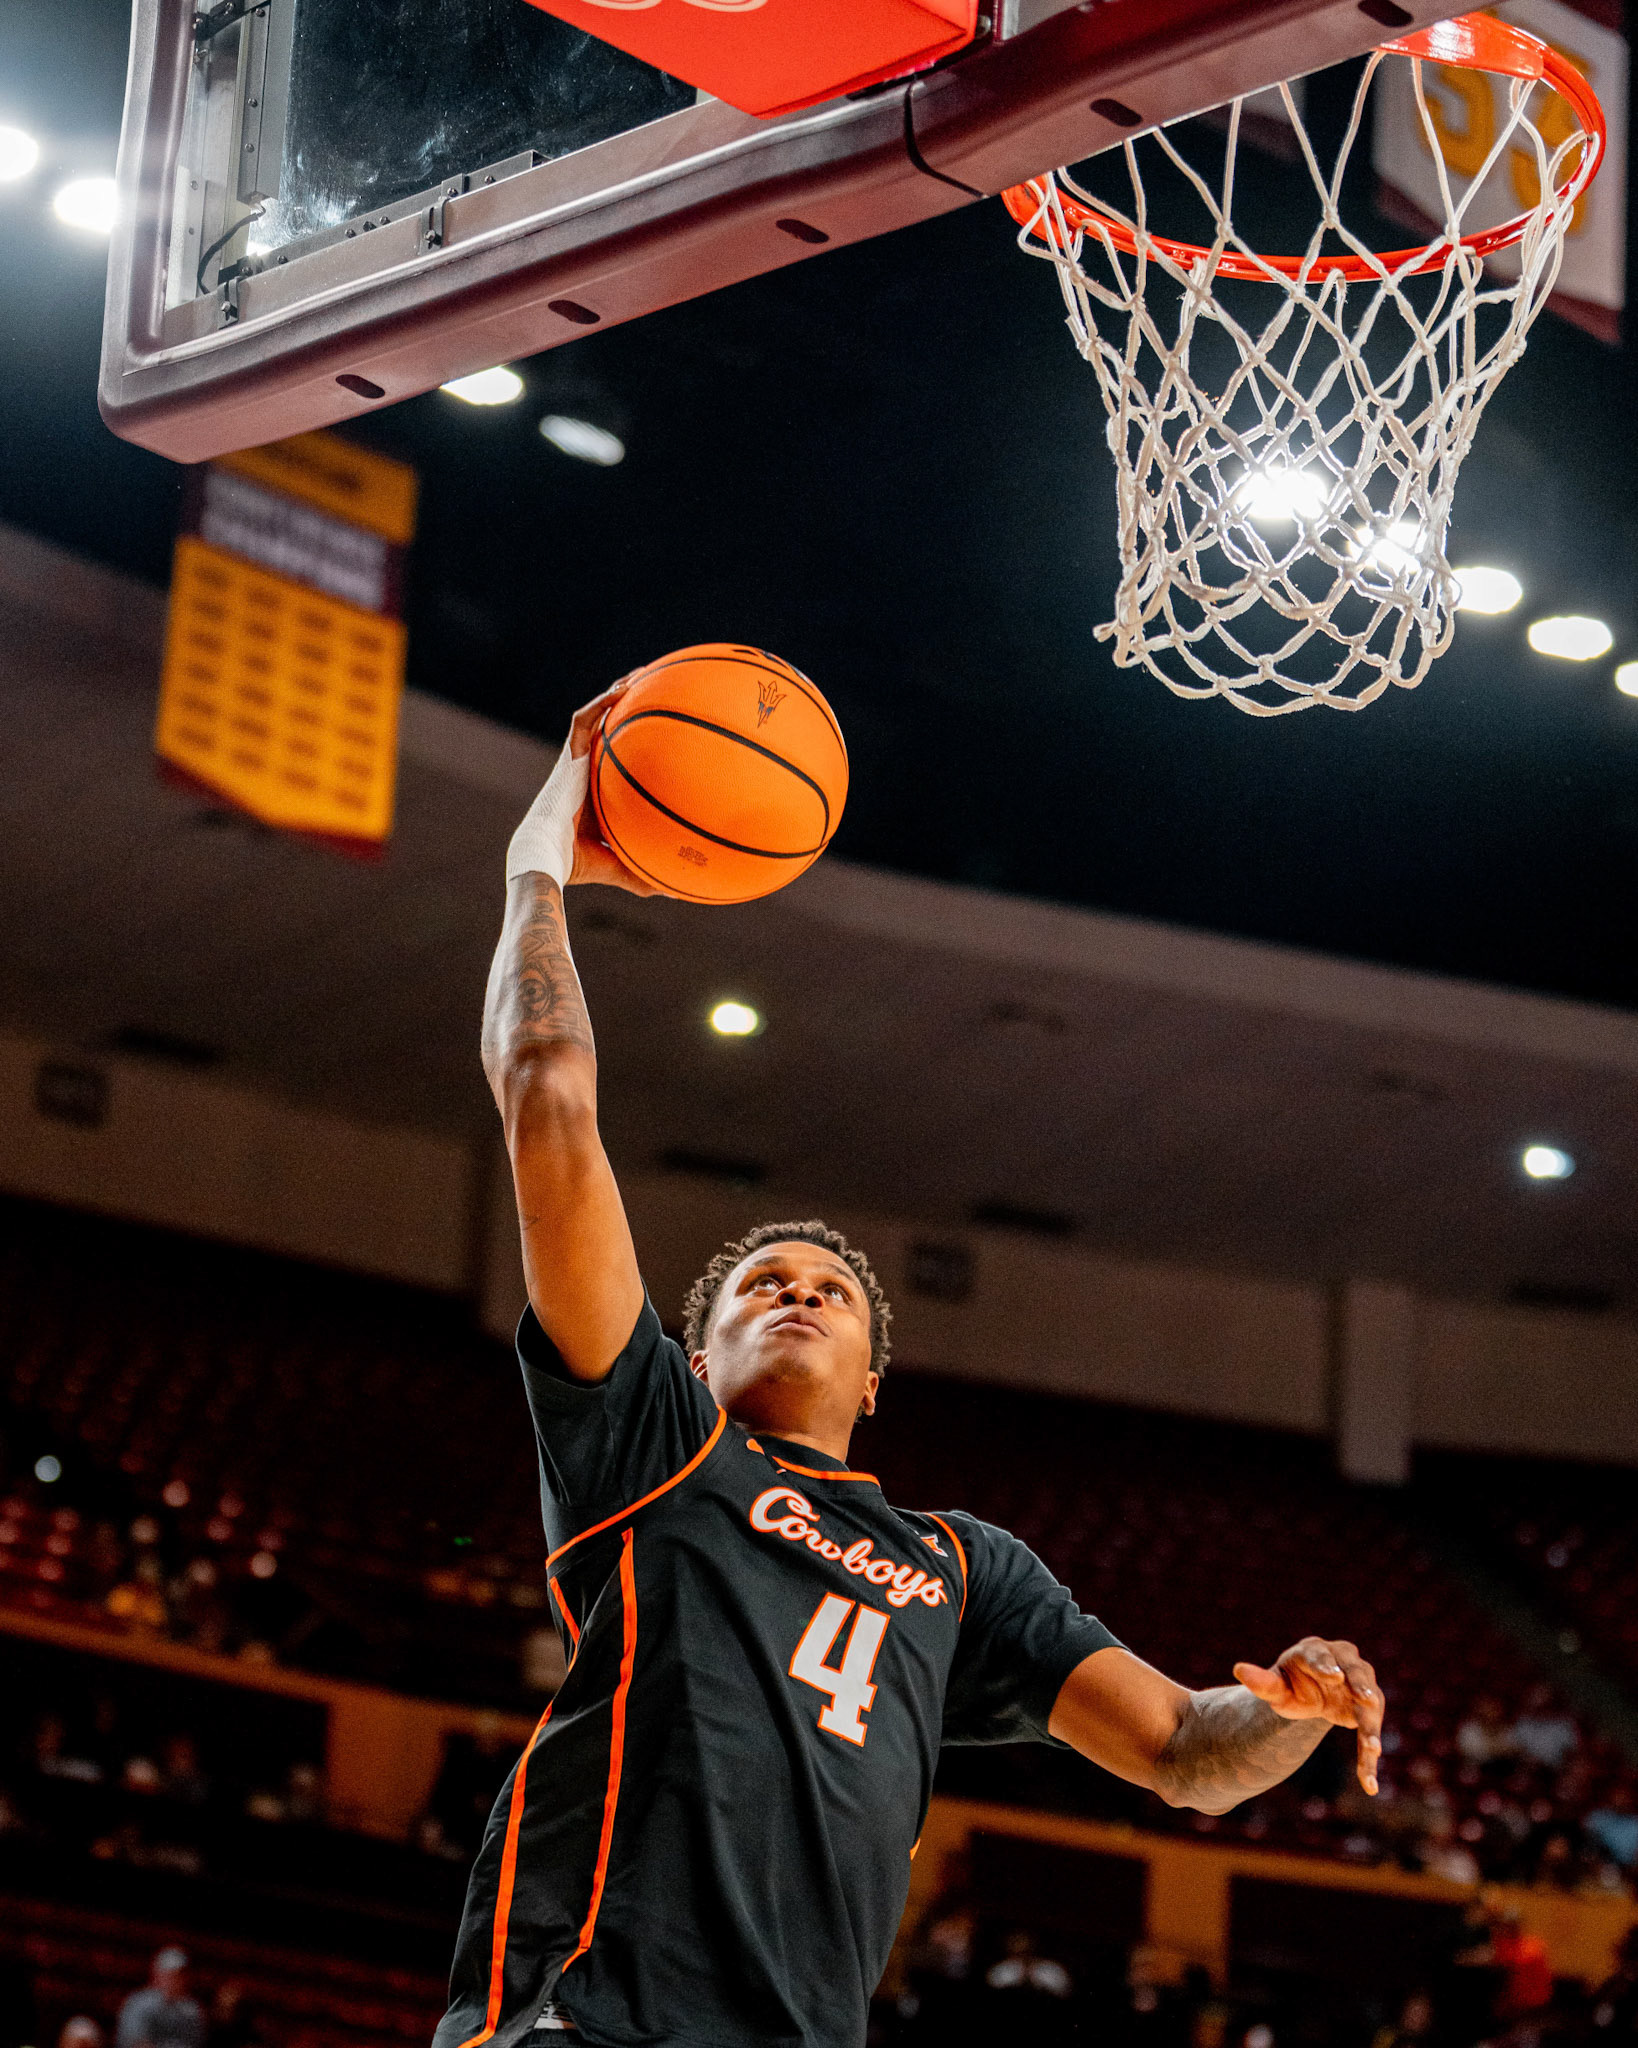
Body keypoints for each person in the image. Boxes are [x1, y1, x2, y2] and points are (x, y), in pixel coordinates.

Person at [436, 685, 1387, 2048]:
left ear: (874, 1377)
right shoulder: (656, 1447)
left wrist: (1285, 1710)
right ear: (691, 1357)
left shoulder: (962, 1568)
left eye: (829, 1289)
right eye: (761, 1284)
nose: (798, 1294)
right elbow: (544, 1095)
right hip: (590, 2020)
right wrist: (539, 868)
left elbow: (1186, 1755)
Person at [116, 1948, 205, 2048]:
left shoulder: (191, 2009)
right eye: (170, 1975)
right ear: (157, 1974)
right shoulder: (139, 2004)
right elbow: (136, 2042)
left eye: (180, 1975)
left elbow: (195, 2042)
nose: (176, 1980)